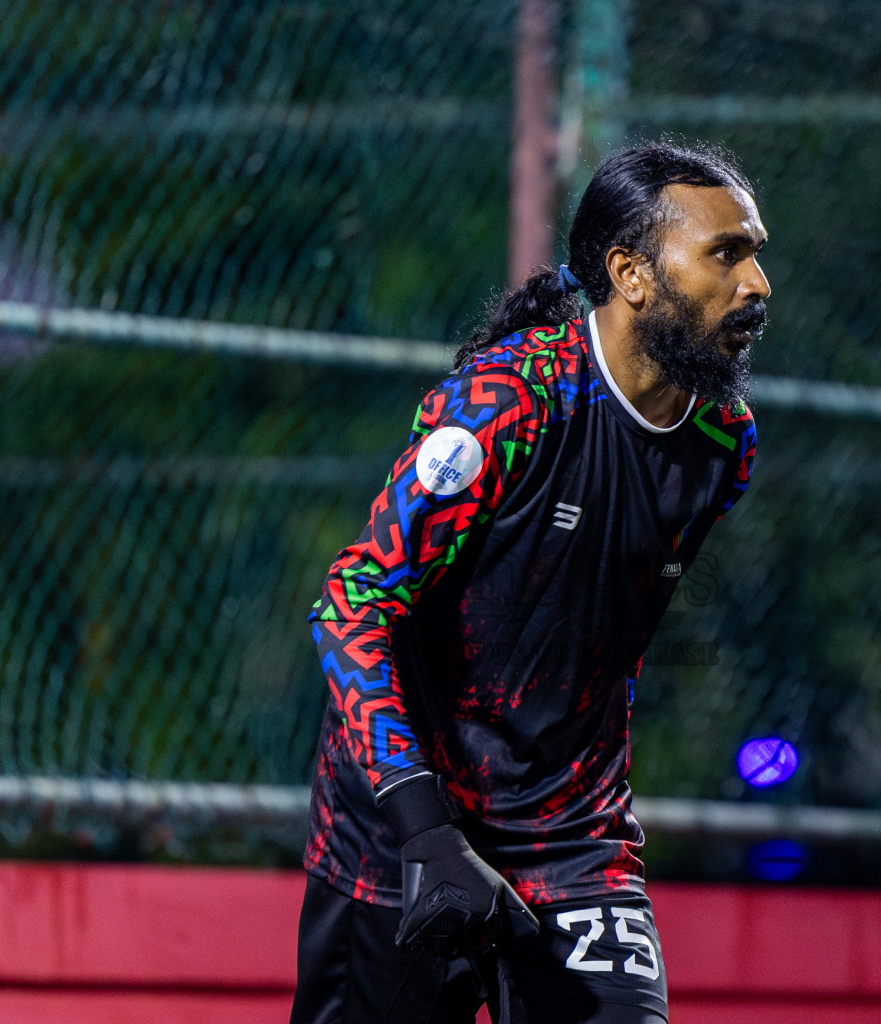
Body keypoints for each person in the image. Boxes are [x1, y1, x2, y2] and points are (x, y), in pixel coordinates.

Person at [291, 140, 769, 1024]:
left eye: (756, 254)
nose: (757, 284)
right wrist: (422, 825)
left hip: (571, 841)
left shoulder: (722, 445)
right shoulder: (507, 404)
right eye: (726, 254)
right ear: (630, 274)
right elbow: (351, 605)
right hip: (400, 837)